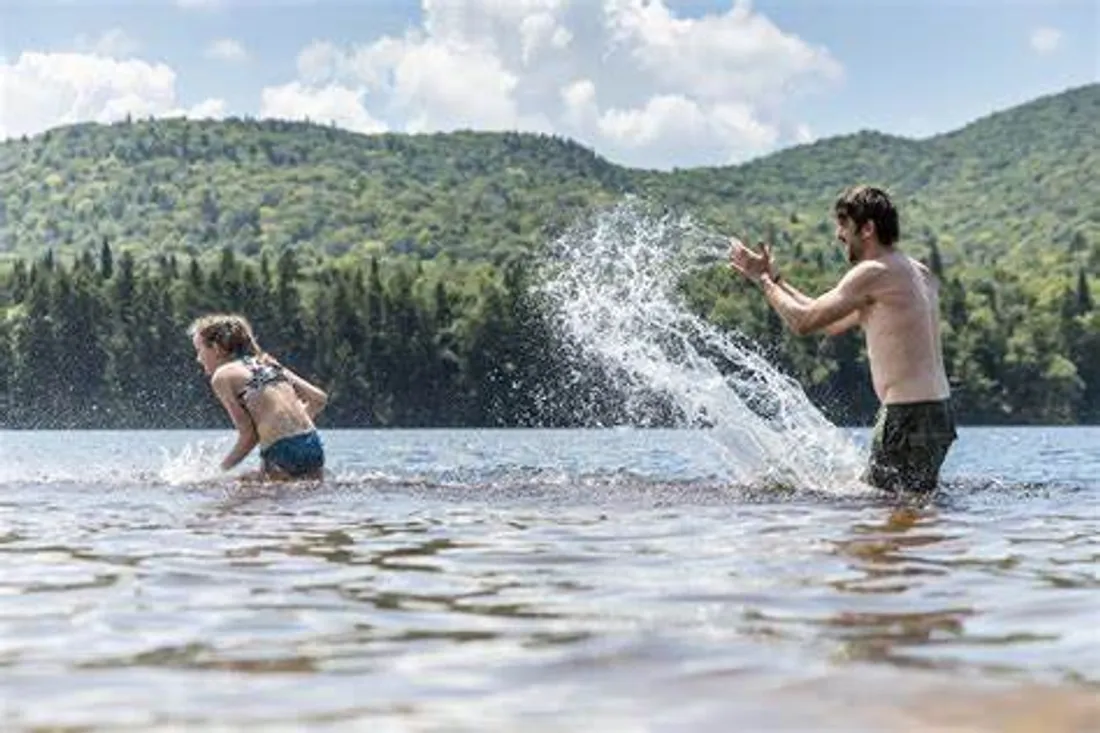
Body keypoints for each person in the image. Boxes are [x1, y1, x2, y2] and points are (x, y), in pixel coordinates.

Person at [728, 185, 957, 494]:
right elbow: (825, 321)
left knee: (879, 513)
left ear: (867, 229)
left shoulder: (873, 272)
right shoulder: (916, 272)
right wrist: (776, 280)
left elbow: (802, 322)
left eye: (843, 224)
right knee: (909, 510)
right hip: (936, 415)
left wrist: (762, 280)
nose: (838, 234)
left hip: (907, 416)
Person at [188, 313, 328, 481]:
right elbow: (318, 399)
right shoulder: (268, 365)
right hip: (312, 445)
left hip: (281, 450)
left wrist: (217, 471)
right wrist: (286, 425)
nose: (198, 358)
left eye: (199, 350)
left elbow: (249, 436)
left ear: (217, 348)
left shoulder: (222, 376)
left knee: (233, 488)